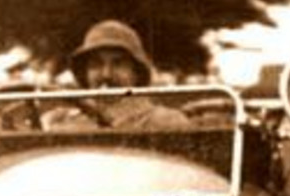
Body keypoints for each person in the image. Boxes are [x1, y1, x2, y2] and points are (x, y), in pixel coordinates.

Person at [44, 20, 190, 130]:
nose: (106, 74)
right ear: (84, 73)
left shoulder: (165, 122)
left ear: (137, 73)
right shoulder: (60, 121)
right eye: (96, 64)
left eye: (118, 64)